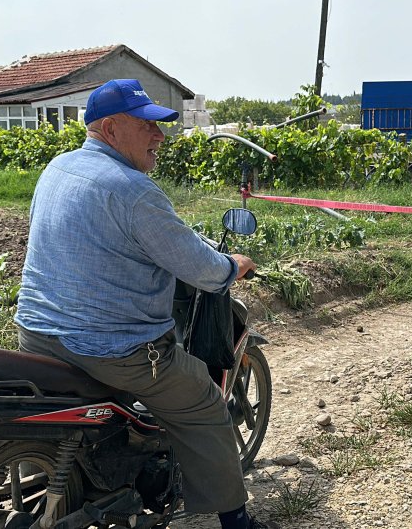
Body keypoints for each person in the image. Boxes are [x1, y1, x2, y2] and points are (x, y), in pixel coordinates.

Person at [14, 79, 276, 529]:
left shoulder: (57, 168)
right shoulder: (135, 191)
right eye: (148, 126)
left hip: (37, 336)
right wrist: (234, 265)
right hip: (115, 353)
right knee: (204, 403)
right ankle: (237, 521)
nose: (159, 137)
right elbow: (202, 270)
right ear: (111, 129)